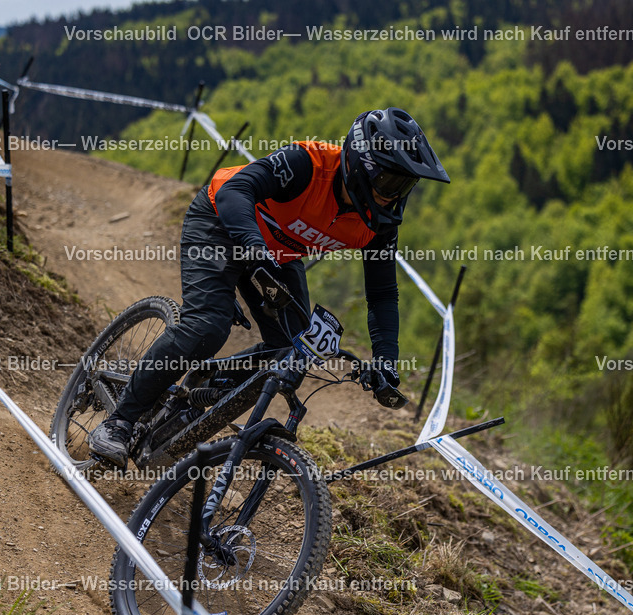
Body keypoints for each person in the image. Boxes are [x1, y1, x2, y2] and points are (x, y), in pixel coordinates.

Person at [87, 107, 450, 468]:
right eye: (389, 183)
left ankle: (196, 395)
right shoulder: (307, 164)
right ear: (358, 165)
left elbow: (383, 293)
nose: (393, 197)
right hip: (221, 222)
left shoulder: (379, 225)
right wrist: (256, 250)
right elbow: (234, 191)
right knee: (207, 326)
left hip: (279, 252)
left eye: (405, 186)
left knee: (291, 353)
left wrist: (386, 358)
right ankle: (119, 421)